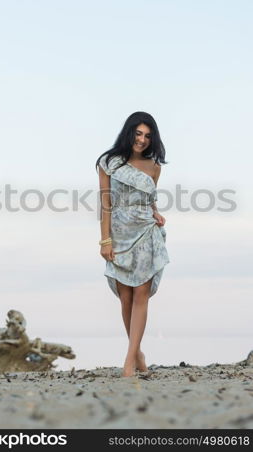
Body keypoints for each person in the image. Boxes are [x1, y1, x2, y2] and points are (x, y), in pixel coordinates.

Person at [96, 111, 170, 377]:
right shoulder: (109, 163)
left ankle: (128, 363)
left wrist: (155, 212)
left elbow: (149, 198)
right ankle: (137, 353)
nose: (142, 140)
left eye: (148, 136)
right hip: (119, 233)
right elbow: (105, 204)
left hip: (146, 232)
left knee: (141, 294)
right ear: (129, 132)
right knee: (125, 296)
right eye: (138, 134)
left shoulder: (154, 167)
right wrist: (105, 240)